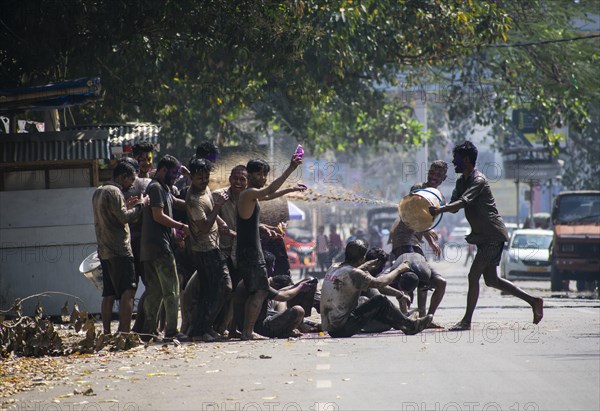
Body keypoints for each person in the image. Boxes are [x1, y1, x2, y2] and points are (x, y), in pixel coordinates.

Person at [429, 141, 543, 331]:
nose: (453, 162)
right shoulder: (460, 182)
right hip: (483, 237)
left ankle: (466, 321)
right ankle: (534, 301)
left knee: (473, 276)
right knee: (491, 280)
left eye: (456, 159)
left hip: (492, 235)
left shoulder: (478, 180)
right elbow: (453, 207)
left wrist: (440, 209)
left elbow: (463, 202)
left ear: (465, 160)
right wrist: (432, 199)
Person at [236, 156, 305, 340]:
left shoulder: (252, 195)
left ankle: (245, 330)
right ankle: (248, 332)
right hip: (249, 251)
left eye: (265, 174)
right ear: (249, 174)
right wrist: (291, 167)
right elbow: (270, 190)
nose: (263, 178)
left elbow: (269, 194)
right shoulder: (248, 193)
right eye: (259, 174)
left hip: (250, 250)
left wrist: (290, 189)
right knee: (260, 291)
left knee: (255, 291)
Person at [320, 240, 433, 338]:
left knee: (363, 300)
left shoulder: (334, 267)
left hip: (331, 328)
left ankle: (402, 318)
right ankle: (410, 326)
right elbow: (381, 283)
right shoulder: (355, 274)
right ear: (362, 258)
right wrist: (399, 269)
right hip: (342, 329)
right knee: (380, 300)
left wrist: (365, 266)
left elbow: (350, 273)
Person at [92, 160, 148, 334]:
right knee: (128, 291)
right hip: (120, 250)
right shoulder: (115, 191)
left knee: (108, 293)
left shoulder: (99, 191)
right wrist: (140, 205)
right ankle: (124, 333)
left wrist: (127, 206)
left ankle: (107, 332)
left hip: (104, 249)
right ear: (122, 177)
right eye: (130, 180)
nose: (131, 184)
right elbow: (124, 218)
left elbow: (113, 214)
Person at [139, 155, 191, 341]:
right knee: (172, 290)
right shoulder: (155, 188)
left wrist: (190, 179)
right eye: (174, 172)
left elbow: (180, 203)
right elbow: (158, 215)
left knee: (155, 292)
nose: (176, 176)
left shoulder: (163, 189)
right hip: (160, 248)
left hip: (150, 249)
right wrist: (181, 226)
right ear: (162, 170)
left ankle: (148, 332)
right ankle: (171, 331)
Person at [184, 158, 232, 342]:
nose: (204, 180)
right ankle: (202, 329)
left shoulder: (204, 190)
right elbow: (204, 226)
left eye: (206, 176)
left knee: (208, 291)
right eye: (199, 177)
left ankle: (201, 330)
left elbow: (211, 210)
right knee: (223, 287)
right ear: (192, 177)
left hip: (212, 246)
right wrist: (219, 206)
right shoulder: (194, 199)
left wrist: (222, 223)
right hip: (205, 250)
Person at [232, 275, 317, 338]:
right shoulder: (260, 284)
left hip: (247, 325)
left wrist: (298, 285)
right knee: (298, 310)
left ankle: (302, 324)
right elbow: (284, 296)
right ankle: (292, 328)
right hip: (261, 328)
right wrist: (300, 287)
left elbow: (280, 291)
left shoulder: (247, 281)